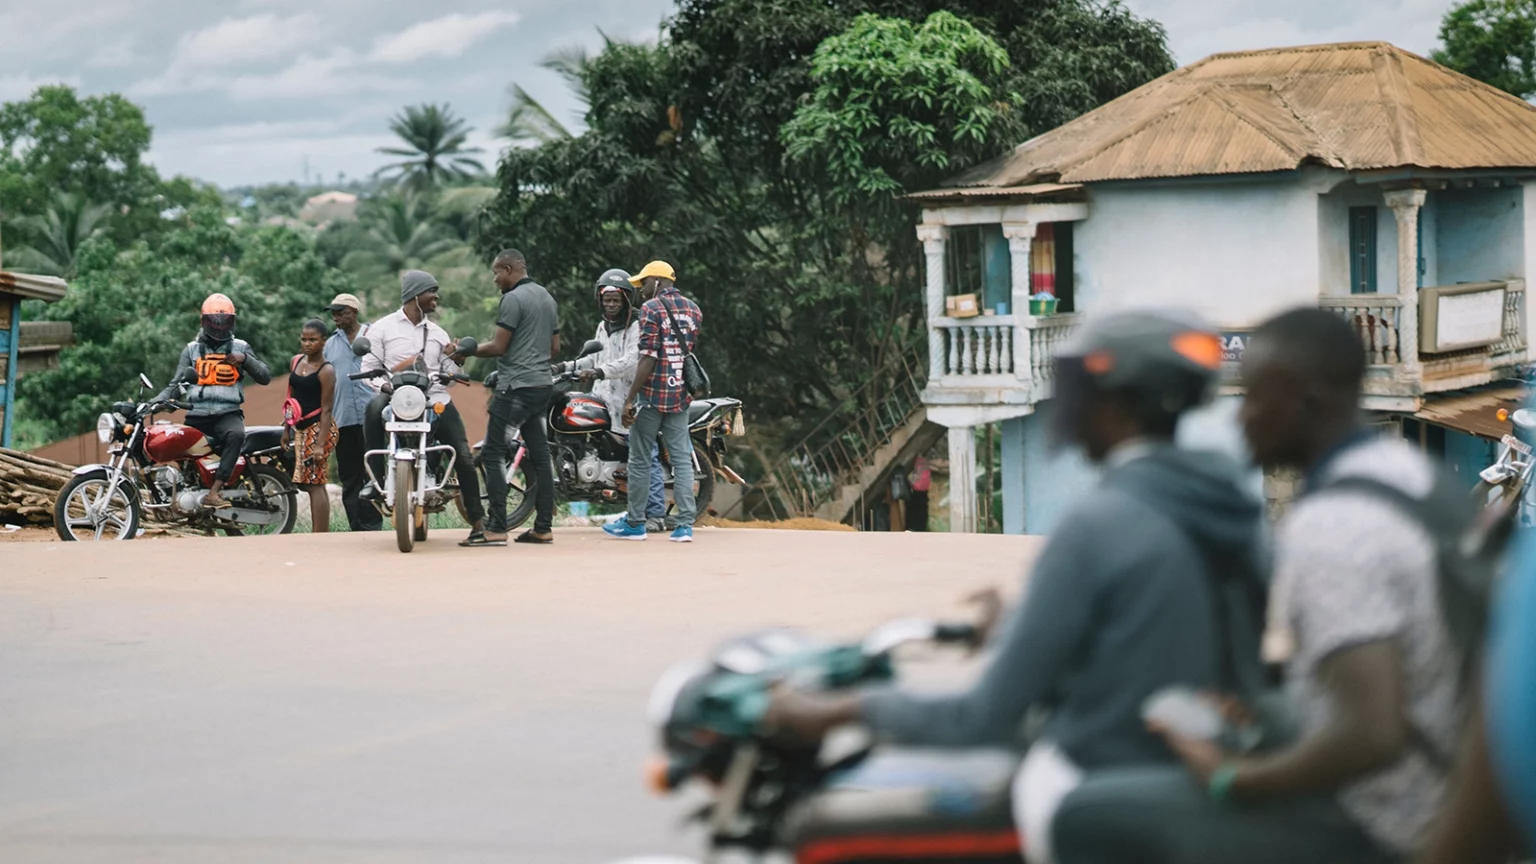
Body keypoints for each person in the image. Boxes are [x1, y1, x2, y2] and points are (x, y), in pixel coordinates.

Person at [765, 310, 1269, 864]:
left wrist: (839, 709)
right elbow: (1145, 645)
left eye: (1081, 388)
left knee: (824, 832)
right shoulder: (1228, 510)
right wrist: (1017, 627)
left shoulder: (1099, 523)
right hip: (1191, 779)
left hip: (1087, 786)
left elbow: (982, 716)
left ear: (1120, 405)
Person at [1052, 308, 1461, 864]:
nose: (1240, 418)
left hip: (1390, 824)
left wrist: (1235, 778)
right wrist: (1265, 716)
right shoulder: (1412, 477)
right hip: (1455, 789)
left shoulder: (1332, 526)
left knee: (1085, 812)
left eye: (1253, 399)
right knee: (1255, 713)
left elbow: (1372, 733)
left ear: (1306, 403)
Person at [360, 270, 486, 545]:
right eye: (431, 291)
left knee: (462, 453)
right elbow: (369, 368)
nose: (436, 297)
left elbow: (449, 375)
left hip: (433, 398)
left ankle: (479, 523)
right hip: (395, 395)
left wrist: (456, 360)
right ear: (415, 295)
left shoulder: (439, 334)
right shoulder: (382, 328)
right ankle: (375, 479)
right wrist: (385, 387)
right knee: (372, 409)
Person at [450, 249, 559, 546]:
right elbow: (554, 348)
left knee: (493, 453)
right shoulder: (547, 298)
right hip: (541, 386)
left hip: (515, 388)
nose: (495, 280)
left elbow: (499, 347)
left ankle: (497, 527)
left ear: (509, 269)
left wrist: (465, 351)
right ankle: (543, 527)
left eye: (496, 273)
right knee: (540, 457)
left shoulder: (512, 299)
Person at [603, 261, 705, 543]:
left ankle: (636, 523)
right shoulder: (694, 310)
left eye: (644, 284)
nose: (641, 290)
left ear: (657, 282)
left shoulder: (651, 309)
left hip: (652, 396)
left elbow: (648, 356)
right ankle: (684, 526)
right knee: (681, 460)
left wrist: (630, 399)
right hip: (680, 395)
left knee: (639, 459)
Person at [560, 267, 667, 531]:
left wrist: (600, 372)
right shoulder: (603, 326)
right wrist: (564, 367)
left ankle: (656, 514)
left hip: (630, 401)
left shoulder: (637, 325)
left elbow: (632, 360)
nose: (610, 305)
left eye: (616, 300)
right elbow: (594, 358)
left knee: (644, 456)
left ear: (627, 299)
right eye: (606, 299)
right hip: (603, 400)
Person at [157, 293, 272, 508]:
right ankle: (185, 494)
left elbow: (265, 377)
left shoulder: (241, 347)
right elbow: (176, 385)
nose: (219, 327)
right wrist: (157, 402)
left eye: (225, 321)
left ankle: (215, 492)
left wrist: (245, 360)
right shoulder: (191, 350)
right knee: (175, 443)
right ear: (204, 321)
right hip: (197, 413)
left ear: (232, 322)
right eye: (215, 321)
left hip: (228, 413)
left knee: (236, 434)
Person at [323, 293, 380, 532]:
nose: (336, 317)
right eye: (333, 313)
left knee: (373, 473)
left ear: (354, 312)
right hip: (343, 417)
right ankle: (355, 527)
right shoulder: (330, 344)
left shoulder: (374, 336)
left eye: (341, 312)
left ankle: (373, 526)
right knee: (350, 476)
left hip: (372, 417)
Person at [283, 319, 338, 533]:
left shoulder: (326, 371)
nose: (307, 344)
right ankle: (319, 532)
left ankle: (320, 534)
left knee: (315, 483)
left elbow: (327, 409)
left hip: (319, 428)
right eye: (304, 339)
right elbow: (291, 398)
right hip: (300, 427)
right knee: (308, 483)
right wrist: (287, 430)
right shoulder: (296, 361)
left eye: (313, 340)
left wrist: (320, 444)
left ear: (324, 341)